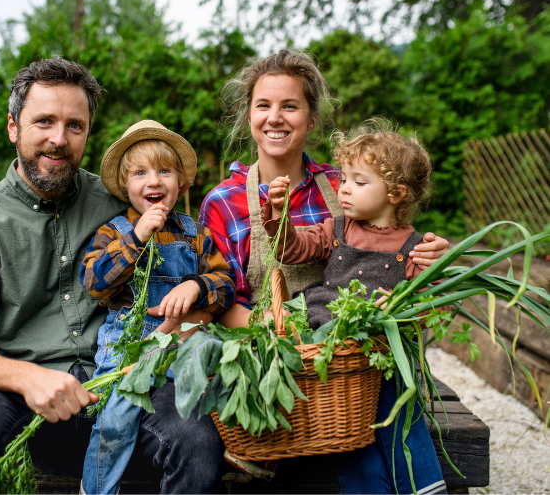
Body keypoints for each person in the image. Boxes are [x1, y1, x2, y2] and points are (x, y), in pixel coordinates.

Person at [0, 59, 225, 494]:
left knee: (196, 437)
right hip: (23, 394)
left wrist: (194, 308)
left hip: (127, 378)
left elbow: (194, 262)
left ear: (88, 132)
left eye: (75, 125)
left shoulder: (119, 201)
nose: (58, 139)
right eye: (43, 122)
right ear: (13, 127)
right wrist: (29, 377)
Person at [199, 50, 449, 493]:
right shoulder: (223, 201)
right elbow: (222, 300)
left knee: (362, 460)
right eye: (263, 105)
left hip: (347, 380)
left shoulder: (346, 185)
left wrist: (429, 257)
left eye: (290, 106)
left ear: (311, 119)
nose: (275, 117)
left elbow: (394, 245)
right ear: (249, 115)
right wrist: (286, 344)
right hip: (274, 372)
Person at [80, 120, 235, 495]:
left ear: (181, 182)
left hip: (181, 345)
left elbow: (226, 285)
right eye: (140, 173)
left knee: (216, 395)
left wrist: (198, 285)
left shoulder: (195, 233)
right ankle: (96, 489)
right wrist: (137, 238)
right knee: (115, 419)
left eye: (165, 171)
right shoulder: (115, 231)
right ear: (126, 185)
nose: (154, 181)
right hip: (129, 347)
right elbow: (95, 283)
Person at [264, 120, 432, 328]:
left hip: (376, 345)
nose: (344, 189)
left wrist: (400, 306)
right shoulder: (336, 230)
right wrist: (279, 211)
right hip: (322, 327)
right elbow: (290, 251)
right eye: (344, 180)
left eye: (359, 182)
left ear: (396, 193)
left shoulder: (414, 249)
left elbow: (435, 306)